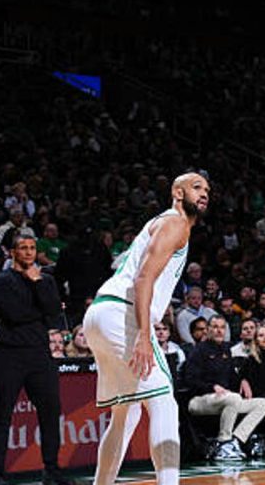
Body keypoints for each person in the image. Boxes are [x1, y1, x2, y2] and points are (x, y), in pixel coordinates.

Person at [82, 172, 210, 485]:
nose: (204, 193)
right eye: (196, 188)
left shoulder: (159, 223)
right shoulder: (175, 223)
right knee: (164, 400)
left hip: (99, 313)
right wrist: (143, 334)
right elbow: (143, 279)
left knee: (125, 415)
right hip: (121, 315)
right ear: (177, 193)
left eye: (207, 189)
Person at [0, 230, 72, 485]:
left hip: (39, 354)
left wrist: (38, 285)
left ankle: (52, 471)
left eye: (32, 249)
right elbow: (15, 314)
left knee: (51, 411)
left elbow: (54, 313)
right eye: (23, 248)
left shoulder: (44, 279)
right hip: (8, 355)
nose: (28, 253)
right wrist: (41, 309)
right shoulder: (2, 281)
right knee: (3, 414)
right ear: (13, 252)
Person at [186, 316, 265, 460]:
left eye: (222, 327)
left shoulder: (227, 349)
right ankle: (223, 442)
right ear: (208, 330)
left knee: (263, 403)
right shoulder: (198, 350)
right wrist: (212, 386)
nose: (219, 331)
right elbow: (190, 380)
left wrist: (243, 380)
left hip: (226, 399)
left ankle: (236, 440)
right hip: (199, 399)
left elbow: (233, 377)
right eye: (215, 327)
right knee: (233, 398)